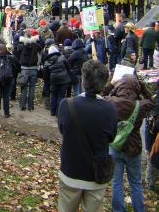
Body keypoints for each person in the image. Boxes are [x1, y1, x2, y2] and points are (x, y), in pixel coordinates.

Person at [57, 60, 117, 212]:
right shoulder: (109, 109)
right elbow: (111, 137)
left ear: (83, 80)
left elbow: (63, 130)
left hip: (71, 170)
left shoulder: (66, 104)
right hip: (96, 174)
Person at [104, 74, 155, 212]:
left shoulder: (110, 102)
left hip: (115, 146)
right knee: (136, 183)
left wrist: (111, 84)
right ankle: (139, 209)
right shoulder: (141, 105)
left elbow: (100, 95)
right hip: (134, 147)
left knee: (116, 183)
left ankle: (118, 210)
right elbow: (152, 100)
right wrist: (142, 87)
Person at [0, 44, 20, 117]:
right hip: (8, 79)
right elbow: (18, 67)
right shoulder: (12, 57)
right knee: (6, 96)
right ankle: (6, 113)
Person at [17, 29, 41, 111]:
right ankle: (30, 106)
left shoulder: (21, 46)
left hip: (24, 69)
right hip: (34, 69)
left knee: (23, 88)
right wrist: (37, 37)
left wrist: (21, 35)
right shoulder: (36, 46)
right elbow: (42, 43)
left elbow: (16, 42)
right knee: (32, 88)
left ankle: (22, 105)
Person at [44, 45, 71, 116]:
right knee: (61, 95)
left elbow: (45, 73)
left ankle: (53, 112)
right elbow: (68, 67)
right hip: (64, 79)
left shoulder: (47, 61)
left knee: (54, 95)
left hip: (53, 79)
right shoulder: (62, 57)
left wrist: (48, 79)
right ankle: (59, 112)